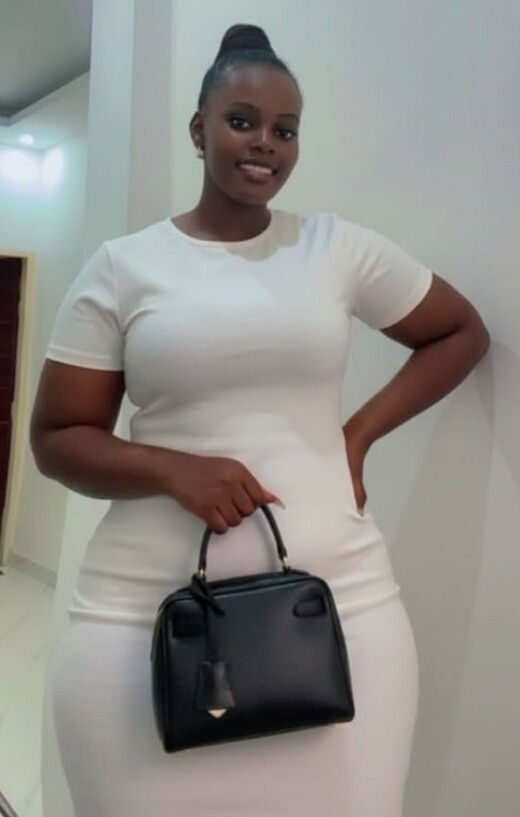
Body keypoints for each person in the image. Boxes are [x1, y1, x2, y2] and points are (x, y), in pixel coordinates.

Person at [31, 23, 489, 817]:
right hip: (141, 616)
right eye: (242, 121)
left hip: (341, 608)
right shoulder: (124, 267)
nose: (264, 145)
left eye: (285, 130)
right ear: (198, 128)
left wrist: (356, 436)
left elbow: (459, 331)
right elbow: (56, 438)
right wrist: (171, 468)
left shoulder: (334, 247)